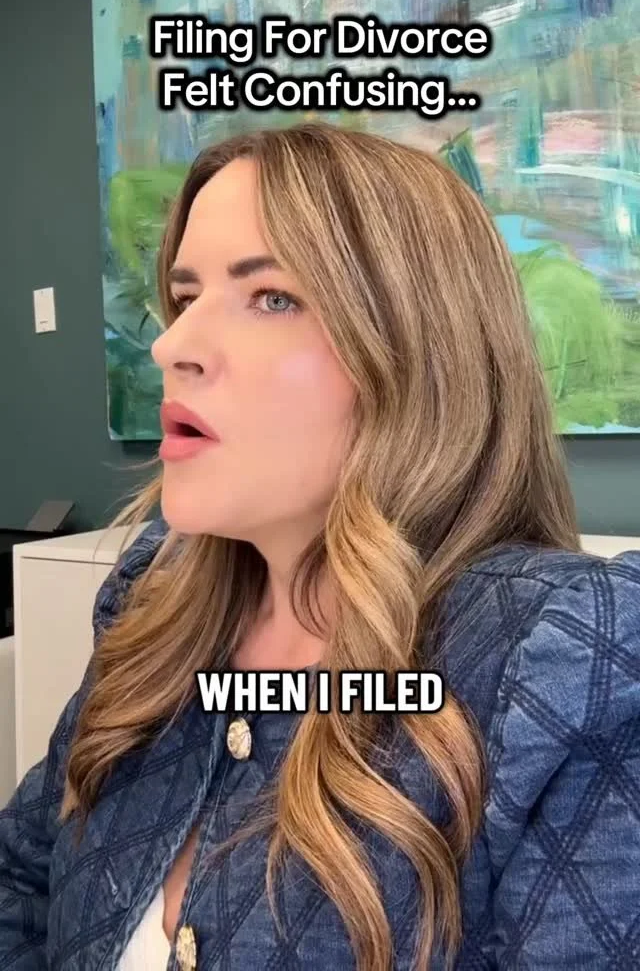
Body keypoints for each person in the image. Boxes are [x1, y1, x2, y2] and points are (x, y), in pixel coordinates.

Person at [1, 121, 639, 971]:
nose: (171, 345)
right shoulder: (153, 598)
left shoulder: (564, 664)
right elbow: (24, 885)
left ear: (418, 350)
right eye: (185, 298)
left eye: (271, 298)